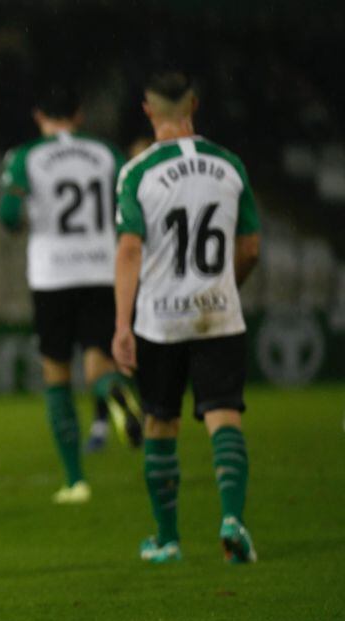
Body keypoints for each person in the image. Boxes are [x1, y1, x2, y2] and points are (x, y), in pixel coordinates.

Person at [112, 72, 261, 564]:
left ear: (149, 111)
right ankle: (234, 520)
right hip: (219, 313)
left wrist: (121, 325)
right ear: (194, 105)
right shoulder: (231, 165)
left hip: (160, 319)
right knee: (224, 416)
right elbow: (251, 247)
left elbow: (130, 248)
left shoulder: (137, 173)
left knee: (160, 423)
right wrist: (225, 286)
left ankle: (169, 538)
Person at [0, 87, 143, 505]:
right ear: (79, 114)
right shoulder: (107, 153)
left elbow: (8, 216)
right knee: (99, 360)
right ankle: (112, 392)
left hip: (52, 275)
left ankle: (76, 480)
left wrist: (22, 221)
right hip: (101, 269)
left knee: (56, 374)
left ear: (38, 113)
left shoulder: (26, 156)